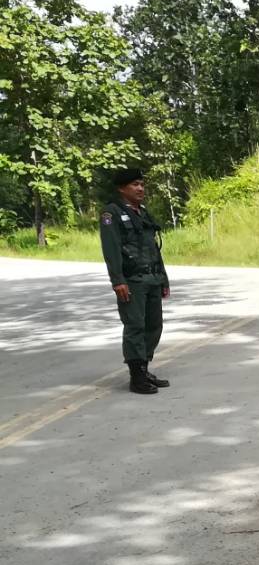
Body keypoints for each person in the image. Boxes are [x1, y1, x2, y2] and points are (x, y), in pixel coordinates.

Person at [100, 168, 171, 395]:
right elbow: (111, 249)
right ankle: (137, 377)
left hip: (152, 278)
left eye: (141, 184)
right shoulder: (111, 213)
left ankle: (144, 368)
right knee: (135, 326)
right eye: (135, 185)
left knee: (154, 325)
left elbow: (154, 249)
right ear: (122, 188)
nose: (140, 188)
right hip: (132, 281)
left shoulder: (143, 213)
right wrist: (117, 281)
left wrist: (163, 278)